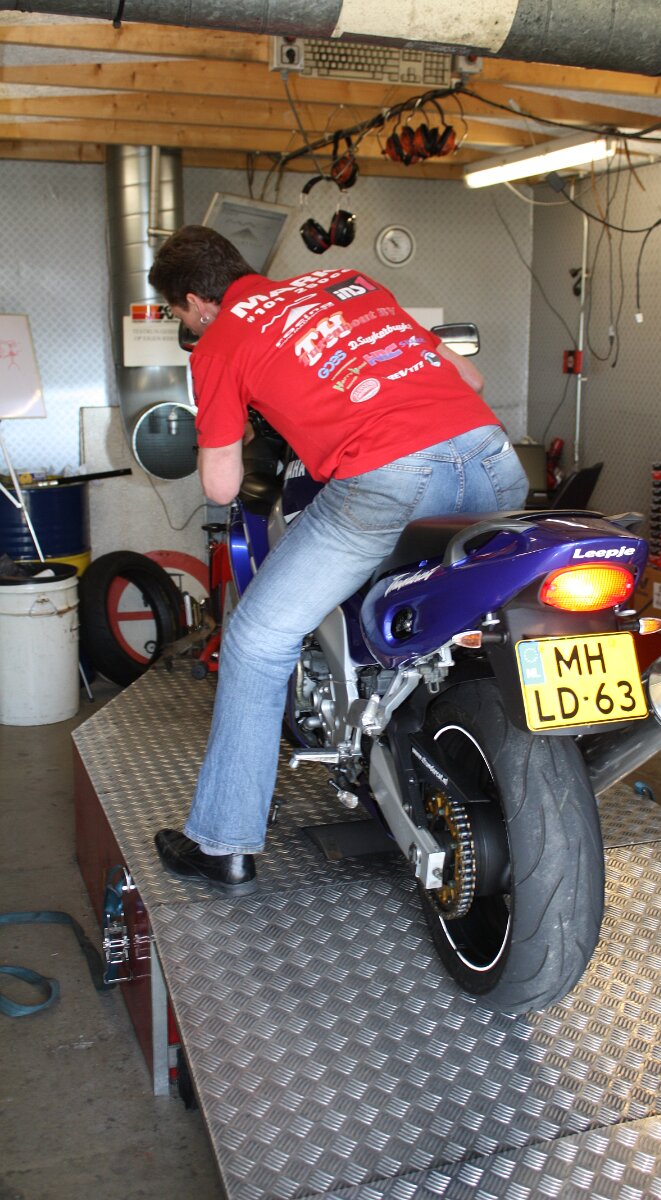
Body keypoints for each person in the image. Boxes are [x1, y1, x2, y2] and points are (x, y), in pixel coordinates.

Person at [148, 224, 528, 895]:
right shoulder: (348, 281)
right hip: (494, 465)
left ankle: (222, 845)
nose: (188, 324)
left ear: (196, 303)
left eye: (181, 314)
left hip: (390, 479)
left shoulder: (222, 339)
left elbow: (222, 487)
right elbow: (469, 377)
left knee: (257, 638)